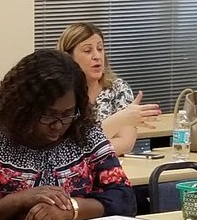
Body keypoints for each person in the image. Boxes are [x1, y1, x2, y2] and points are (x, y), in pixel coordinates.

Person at [0, 49, 136, 220]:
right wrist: (18, 200)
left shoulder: (86, 138)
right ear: (23, 109)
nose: (58, 125)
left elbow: (124, 199)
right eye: (49, 115)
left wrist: (70, 209)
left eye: (67, 114)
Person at [56, 22, 160, 156]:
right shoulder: (59, 95)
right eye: (88, 50)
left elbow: (126, 143)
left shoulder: (118, 89)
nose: (97, 56)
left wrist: (84, 152)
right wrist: (119, 119)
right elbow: (65, 151)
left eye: (100, 49)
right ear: (68, 57)